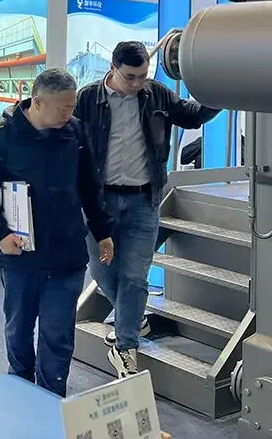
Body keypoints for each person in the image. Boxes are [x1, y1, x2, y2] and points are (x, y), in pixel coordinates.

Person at [74, 41, 220, 377]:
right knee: (102, 273)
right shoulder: (87, 99)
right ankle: (133, 318)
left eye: (143, 76)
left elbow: (193, 116)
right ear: (113, 68)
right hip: (100, 203)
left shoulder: (157, 95)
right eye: (130, 77)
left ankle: (125, 347)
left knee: (135, 276)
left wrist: (221, 94)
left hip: (144, 201)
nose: (138, 83)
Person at [0, 69, 116, 397]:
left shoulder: (76, 133)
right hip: (20, 256)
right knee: (19, 331)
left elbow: (90, 187)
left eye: (72, 107)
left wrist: (102, 230)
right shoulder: (1, 136)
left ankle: (51, 400)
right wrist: (0, 234)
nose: (69, 114)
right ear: (37, 103)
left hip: (67, 255)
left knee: (58, 335)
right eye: (63, 108)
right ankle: (21, 393)